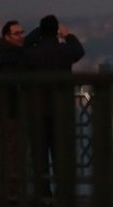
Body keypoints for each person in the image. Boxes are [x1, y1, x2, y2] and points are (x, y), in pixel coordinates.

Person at [21, 15, 85, 206]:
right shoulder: (64, 50)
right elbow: (79, 51)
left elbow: (23, 48)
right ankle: (62, 192)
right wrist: (68, 35)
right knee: (60, 155)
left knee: (39, 156)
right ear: (56, 30)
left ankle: (44, 193)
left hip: (38, 110)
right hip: (61, 110)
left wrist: (37, 33)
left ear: (42, 30)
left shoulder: (33, 53)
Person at [0, 20, 26, 205]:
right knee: (13, 152)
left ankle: (12, 190)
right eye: (17, 33)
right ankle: (11, 192)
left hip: (11, 107)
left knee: (13, 151)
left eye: (22, 32)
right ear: (7, 36)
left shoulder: (5, 51)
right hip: (11, 108)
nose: (22, 36)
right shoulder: (8, 55)